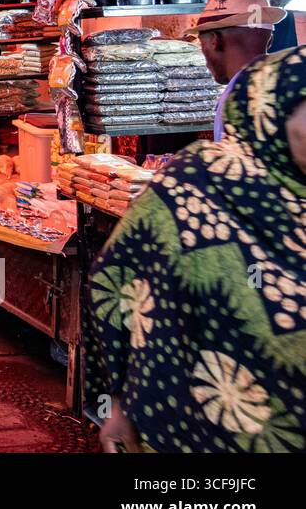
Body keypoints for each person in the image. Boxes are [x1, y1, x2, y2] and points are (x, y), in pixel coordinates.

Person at [88, 46, 306, 453]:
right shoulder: (197, 181)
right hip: (187, 428)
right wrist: (115, 401)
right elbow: (113, 280)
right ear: (270, 110)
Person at [185, 0, 286, 141]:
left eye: (201, 43)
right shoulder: (285, 84)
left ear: (214, 40)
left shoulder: (239, 98)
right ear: (270, 40)